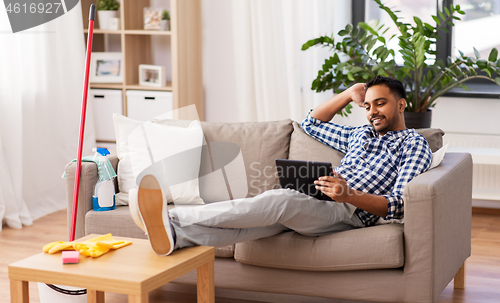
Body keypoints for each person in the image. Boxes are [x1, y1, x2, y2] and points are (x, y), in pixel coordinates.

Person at [129, 75, 432, 256]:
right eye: (367, 106)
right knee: (261, 226)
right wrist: (348, 92)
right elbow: (312, 123)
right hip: (320, 199)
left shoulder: (413, 144)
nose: (372, 111)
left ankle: (172, 216)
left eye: (380, 103)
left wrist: (348, 194)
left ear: (401, 105)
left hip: (350, 212)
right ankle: (175, 238)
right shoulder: (359, 134)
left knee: (281, 200)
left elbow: (399, 206)